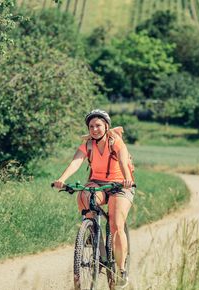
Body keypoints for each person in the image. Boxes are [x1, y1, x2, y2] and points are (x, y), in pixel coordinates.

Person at [53, 109, 134, 288]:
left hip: (120, 184)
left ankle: (121, 270)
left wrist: (127, 178)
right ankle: (92, 233)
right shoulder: (88, 145)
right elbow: (76, 162)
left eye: (98, 125)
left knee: (115, 225)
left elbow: (122, 161)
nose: (94, 129)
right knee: (83, 194)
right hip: (97, 182)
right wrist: (62, 179)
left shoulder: (116, 142)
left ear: (106, 126)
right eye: (91, 126)